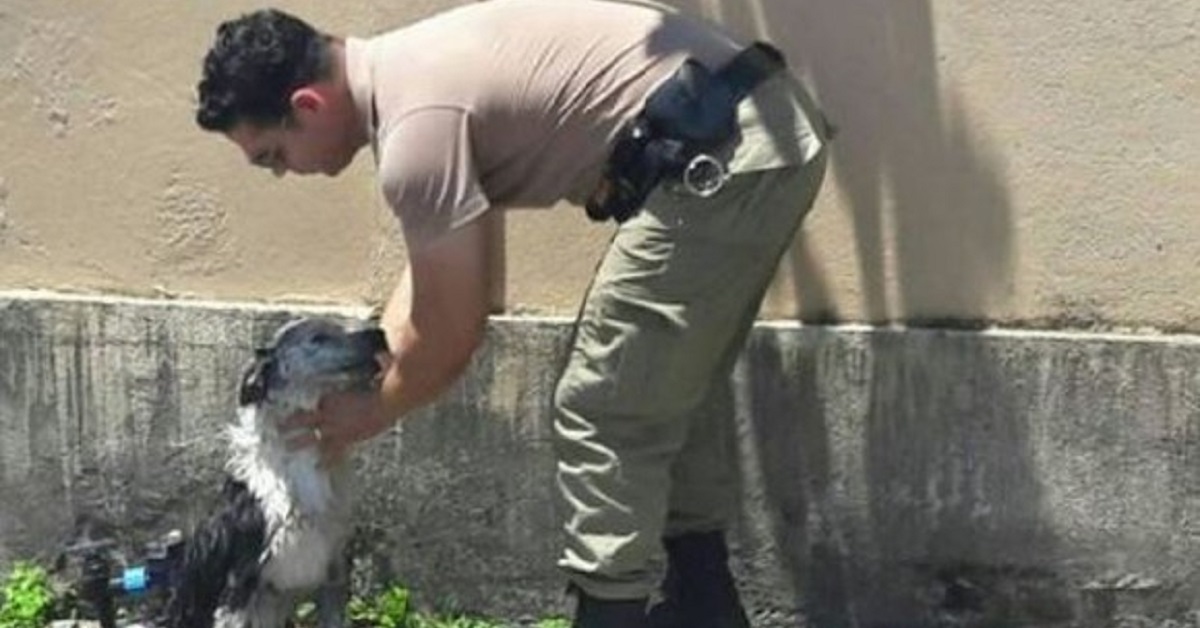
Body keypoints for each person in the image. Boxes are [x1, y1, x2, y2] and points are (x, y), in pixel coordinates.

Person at [195, 1, 830, 626]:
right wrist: (371, 363)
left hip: (723, 157)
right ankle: (705, 607)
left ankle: (614, 614)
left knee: (601, 404)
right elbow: (443, 280)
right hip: (754, 130)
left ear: (307, 106)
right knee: (656, 391)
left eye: (274, 156)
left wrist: (372, 410)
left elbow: (454, 329)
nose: (283, 174)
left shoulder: (415, 131)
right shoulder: (410, 71)